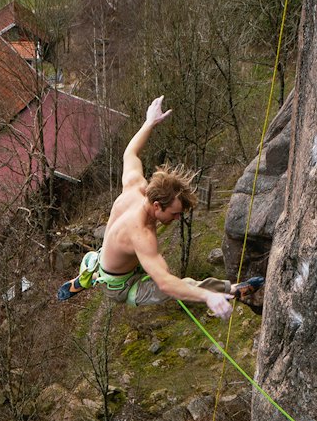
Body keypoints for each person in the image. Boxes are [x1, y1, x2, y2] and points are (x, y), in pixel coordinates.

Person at [57, 97, 233, 316]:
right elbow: (167, 284)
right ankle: (231, 290)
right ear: (157, 205)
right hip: (123, 287)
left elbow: (129, 154)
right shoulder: (141, 234)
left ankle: (89, 274)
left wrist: (149, 123)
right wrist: (207, 296)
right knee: (181, 285)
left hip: (111, 260)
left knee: (124, 267)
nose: (178, 219)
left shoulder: (136, 186)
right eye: (175, 214)